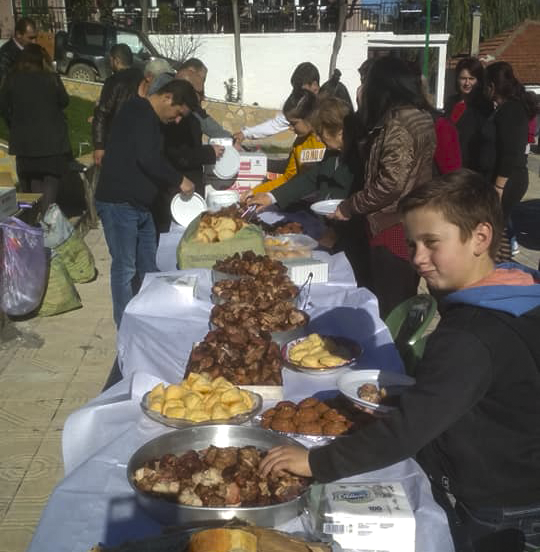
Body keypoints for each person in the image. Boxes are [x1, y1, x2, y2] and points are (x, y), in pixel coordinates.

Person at [260, 169, 540, 552]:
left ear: (481, 237)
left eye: (431, 243)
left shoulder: (470, 336)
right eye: (412, 245)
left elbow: (410, 430)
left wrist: (316, 463)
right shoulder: (515, 287)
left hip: (499, 501)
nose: (418, 259)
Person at [329, 56, 435, 317]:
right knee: (399, 297)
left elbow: (391, 183)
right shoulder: (420, 114)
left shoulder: (397, 123)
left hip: (391, 224)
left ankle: (392, 352)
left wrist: (350, 205)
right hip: (412, 218)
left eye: (368, 82)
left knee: (390, 304)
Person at [94, 79, 198, 328]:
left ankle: (149, 315)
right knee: (125, 268)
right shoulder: (137, 111)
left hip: (140, 206)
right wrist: (178, 179)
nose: (177, 120)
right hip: (119, 204)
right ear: (167, 98)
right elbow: (148, 158)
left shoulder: (152, 119)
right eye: (178, 113)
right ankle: (126, 324)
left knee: (148, 266)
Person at [0, 44, 70, 213]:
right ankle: (47, 226)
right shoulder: (51, 78)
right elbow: (65, 101)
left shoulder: (12, 79)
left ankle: (31, 225)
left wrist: (13, 123)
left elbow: (2, 106)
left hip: (25, 145)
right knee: (49, 183)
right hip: (51, 144)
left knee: (31, 185)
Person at [484, 61, 537, 261]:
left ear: (492, 86)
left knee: (496, 226)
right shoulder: (504, 108)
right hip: (505, 178)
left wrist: (498, 187)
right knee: (497, 224)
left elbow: (509, 152)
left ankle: (499, 264)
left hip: (508, 180)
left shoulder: (511, 111)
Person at [249, 89, 325, 195]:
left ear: (309, 117)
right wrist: (255, 192)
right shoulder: (298, 143)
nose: (290, 128)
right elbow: (288, 178)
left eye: (294, 123)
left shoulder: (327, 141)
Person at [233, 62, 320, 143]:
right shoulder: (296, 107)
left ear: (314, 85)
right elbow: (274, 125)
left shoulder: (327, 107)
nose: (292, 128)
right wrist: (245, 133)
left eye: (301, 89)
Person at [92, 44, 144, 167]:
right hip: (138, 139)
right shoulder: (140, 77)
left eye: (110, 60)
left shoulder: (114, 81)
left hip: (116, 139)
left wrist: (99, 146)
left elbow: (102, 113)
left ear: (116, 60)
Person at [444, 57, 493, 174]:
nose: (467, 83)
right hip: (450, 163)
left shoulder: (484, 106)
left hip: (471, 167)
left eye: (471, 78)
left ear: (479, 80)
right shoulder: (451, 102)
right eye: (463, 78)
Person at [0, 17, 37, 83]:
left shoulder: (30, 48)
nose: (34, 42)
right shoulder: (5, 54)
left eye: (35, 37)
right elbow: (4, 81)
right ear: (18, 34)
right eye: (30, 38)